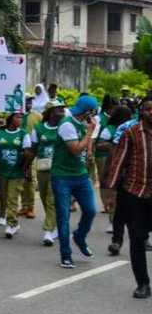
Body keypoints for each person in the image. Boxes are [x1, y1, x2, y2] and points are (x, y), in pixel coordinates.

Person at [104, 98, 152, 297]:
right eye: (148, 109)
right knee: (137, 239)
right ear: (142, 112)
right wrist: (111, 193)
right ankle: (143, 283)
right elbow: (118, 163)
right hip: (135, 193)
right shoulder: (130, 133)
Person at [49, 94, 99, 268]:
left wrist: (90, 153)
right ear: (88, 111)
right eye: (92, 111)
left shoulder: (85, 123)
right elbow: (76, 150)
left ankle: (79, 236)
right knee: (63, 216)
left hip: (81, 175)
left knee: (91, 210)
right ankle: (66, 254)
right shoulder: (67, 124)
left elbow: (87, 144)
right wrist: (89, 132)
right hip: (62, 176)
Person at [24, 100, 65, 246]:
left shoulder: (65, 127)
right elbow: (33, 150)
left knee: (51, 199)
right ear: (50, 112)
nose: (62, 111)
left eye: (62, 109)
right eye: (58, 109)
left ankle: (48, 231)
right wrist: (26, 167)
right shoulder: (39, 129)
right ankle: (58, 226)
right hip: (42, 168)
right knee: (43, 196)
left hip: (60, 169)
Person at [97, 105, 132, 254]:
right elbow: (108, 148)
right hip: (121, 170)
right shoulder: (123, 129)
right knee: (119, 206)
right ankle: (117, 241)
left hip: (142, 178)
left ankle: (143, 239)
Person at [0, 112, 31, 238]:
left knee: (12, 198)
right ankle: (8, 219)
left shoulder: (23, 134)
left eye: (21, 117)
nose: (20, 119)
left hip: (17, 172)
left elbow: (28, 152)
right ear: (10, 119)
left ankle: (11, 224)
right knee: (3, 197)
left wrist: (25, 168)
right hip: (3, 172)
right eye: (17, 117)